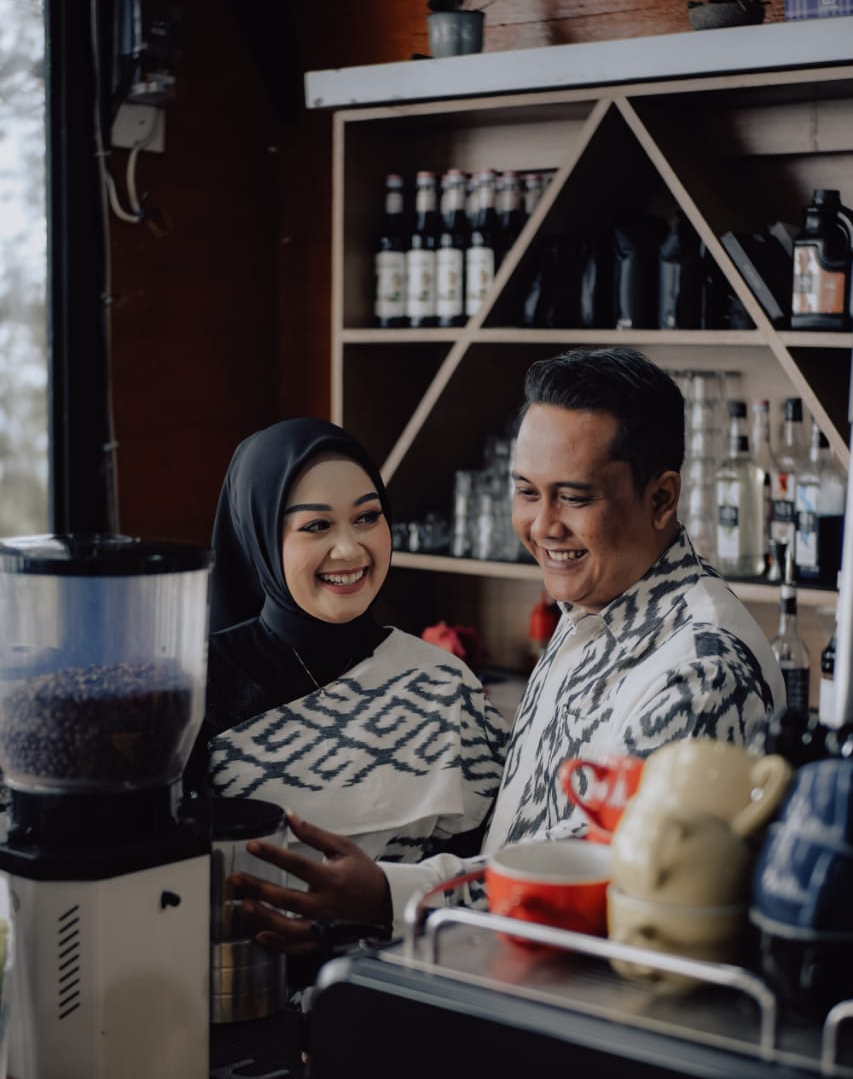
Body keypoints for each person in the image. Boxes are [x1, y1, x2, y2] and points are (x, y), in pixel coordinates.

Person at [228, 346, 785, 950]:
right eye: (527, 492)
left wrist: (387, 897)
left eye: (574, 497)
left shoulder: (701, 670)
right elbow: (520, 835)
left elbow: (600, 874)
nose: (542, 526)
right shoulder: (591, 610)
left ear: (661, 499)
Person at [187, 417, 509, 876]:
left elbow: (495, 867)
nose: (350, 550)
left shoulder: (445, 684)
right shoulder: (197, 689)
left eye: (367, 517)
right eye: (317, 525)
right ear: (260, 537)